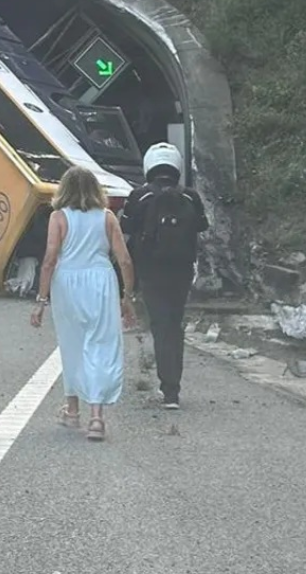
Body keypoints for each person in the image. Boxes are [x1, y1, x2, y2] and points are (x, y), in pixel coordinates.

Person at [30, 166, 136, 442]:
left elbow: (50, 260)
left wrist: (41, 301)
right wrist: (127, 297)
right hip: (101, 281)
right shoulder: (107, 217)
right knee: (101, 344)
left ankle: (73, 410)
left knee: (72, 344)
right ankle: (97, 417)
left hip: (68, 282)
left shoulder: (58, 217)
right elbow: (124, 260)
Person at [119, 142, 209, 410]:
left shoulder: (139, 195)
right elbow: (202, 225)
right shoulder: (190, 197)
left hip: (151, 269)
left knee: (160, 324)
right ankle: (173, 388)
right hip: (182, 269)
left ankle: (168, 389)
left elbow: (126, 226)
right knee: (174, 322)